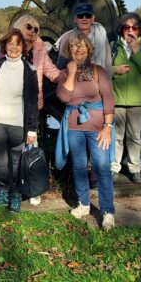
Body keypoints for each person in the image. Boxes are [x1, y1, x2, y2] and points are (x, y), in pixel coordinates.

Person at [55, 31, 115, 230]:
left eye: (82, 46)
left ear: (88, 49)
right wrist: (71, 73)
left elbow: (108, 100)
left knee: (102, 168)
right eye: (74, 46)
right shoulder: (64, 73)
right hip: (74, 129)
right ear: (69, 50)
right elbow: (64, 97)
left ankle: (107, 212)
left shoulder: (98, 71)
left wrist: (107, 127)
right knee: (79, 168)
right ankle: (83, 204)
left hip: (98, 129)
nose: (78, 49)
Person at [8, 12, 61, 206]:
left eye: (36, 29)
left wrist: (70, 75)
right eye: (28, 27)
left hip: (31, 108)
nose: (32, 31)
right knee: (13, 148)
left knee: (31, 146)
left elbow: (52, 72)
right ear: (20, 28)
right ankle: (14, 187)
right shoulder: (10, 47)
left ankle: (32, 189)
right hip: (11, 107)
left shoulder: (39, 50)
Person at [0, 29, 38, 214]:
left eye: (18, 44)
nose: (14, 48)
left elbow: (32, 102)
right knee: (0, 161)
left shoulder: (30, 70)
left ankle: (16, 194)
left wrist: (32, 130)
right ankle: (3, 189)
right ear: (5, 46)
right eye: (10, 44)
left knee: (16, 162)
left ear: (23, 47)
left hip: (18, 124)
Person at [110, 12, 141, 183]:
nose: (130, 31)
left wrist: (136, 50)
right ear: (121, 30)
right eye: (126, 27)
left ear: (140, 30)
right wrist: (115, 70)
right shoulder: (113, 46)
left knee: (135, 136)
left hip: (137, 101)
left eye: (134, 27)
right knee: (117, 136)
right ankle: (114, 168)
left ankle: (135, 169)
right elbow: (103, 69)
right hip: (117, 99)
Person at [56, 3, 112, 76]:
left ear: (93, 18)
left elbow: (108, 63)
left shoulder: (102, 35)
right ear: (75, 19)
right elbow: (61, 67)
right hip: (75, 83)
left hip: (98, 80)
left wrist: (108, 83)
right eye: (80, 16)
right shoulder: (67, 38)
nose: (84, 19)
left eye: (88, 16)